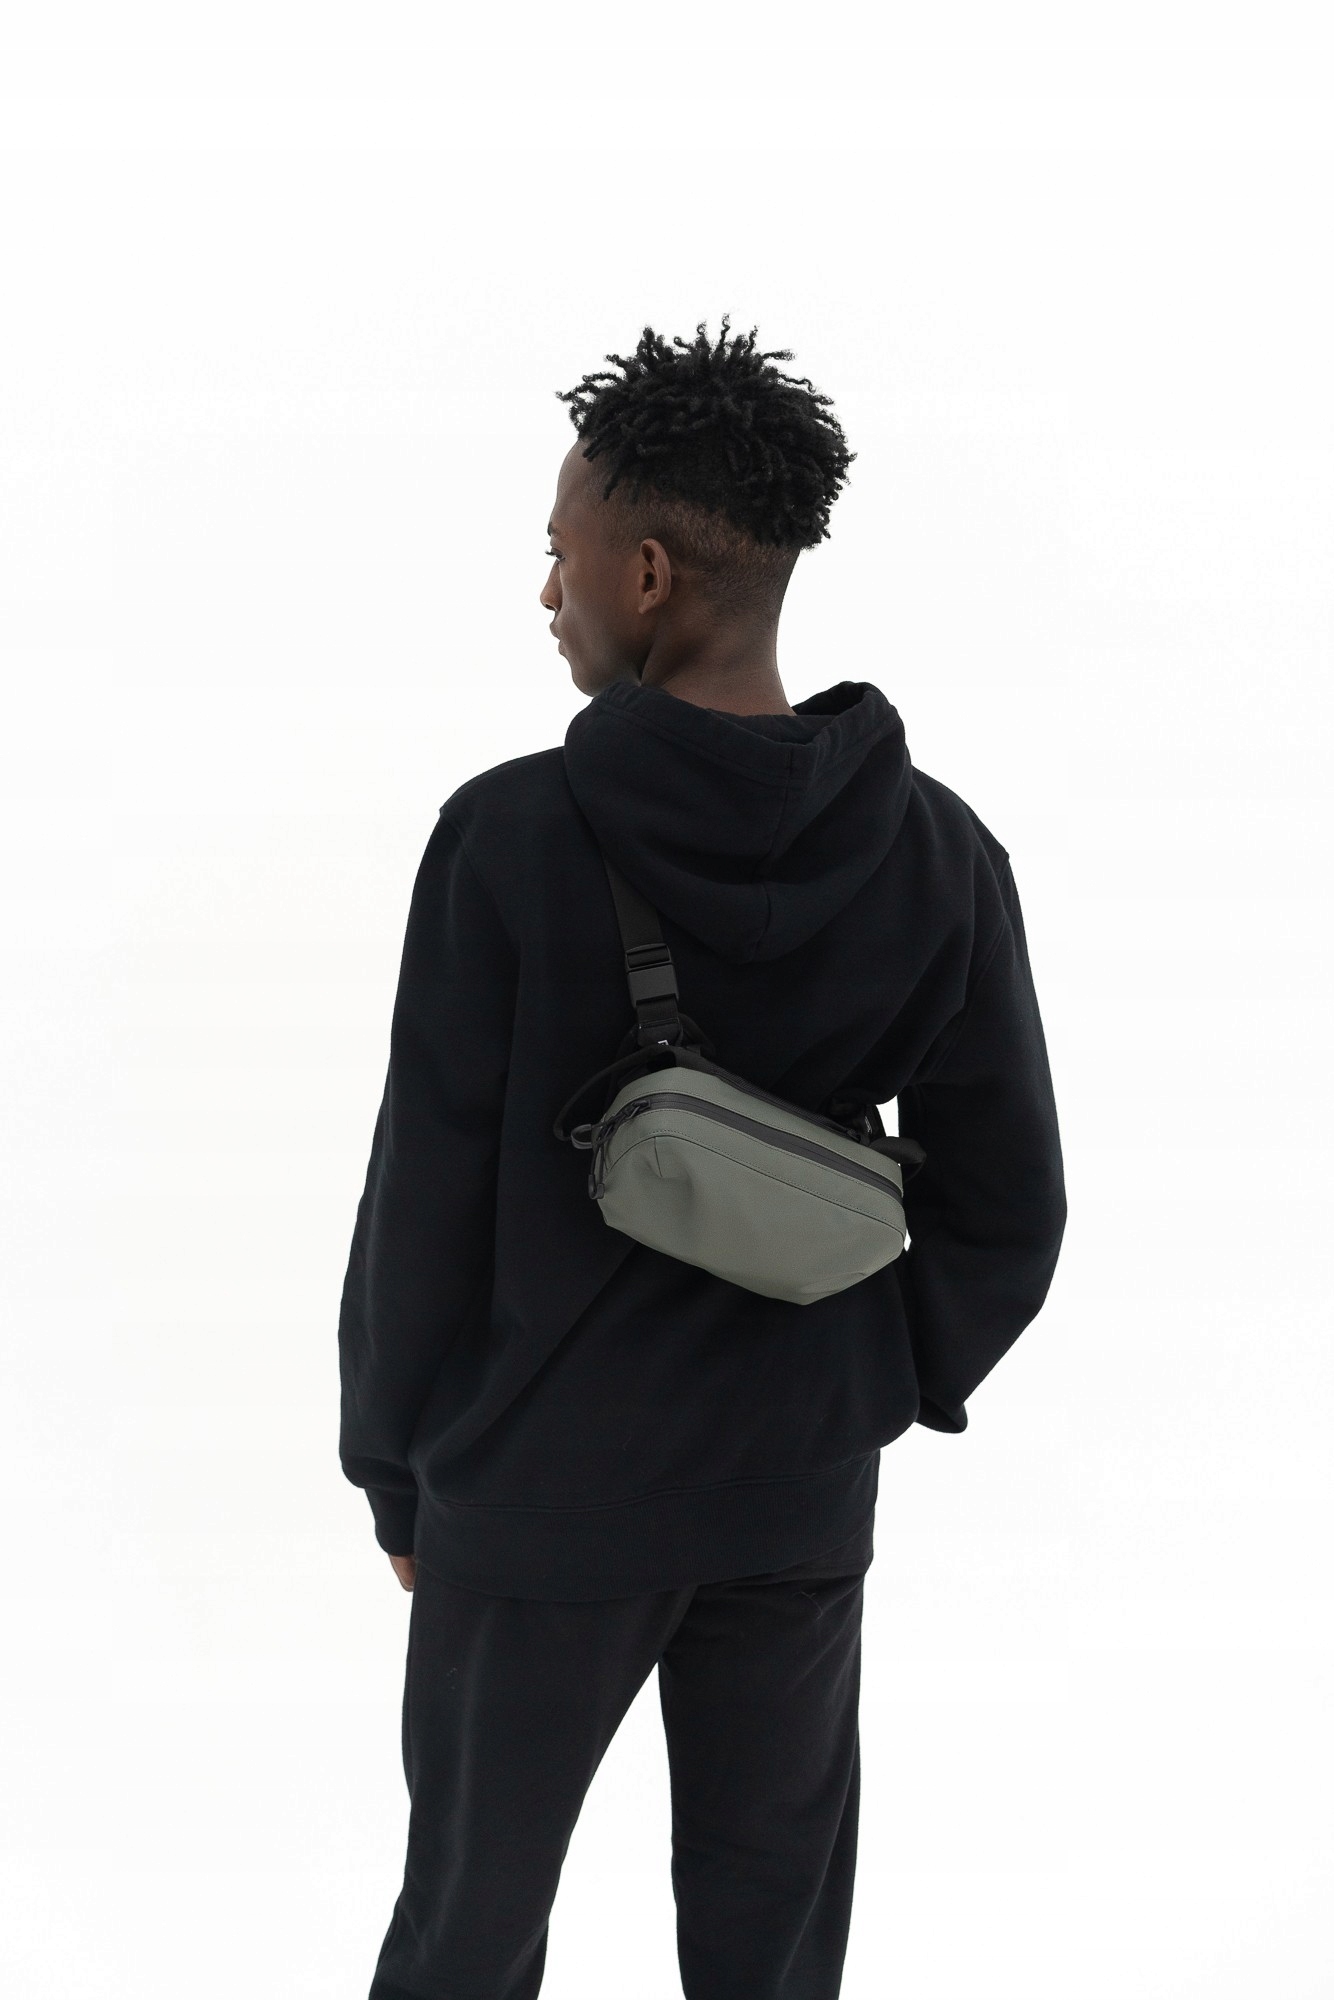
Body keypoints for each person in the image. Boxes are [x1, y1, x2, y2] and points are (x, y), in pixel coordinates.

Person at [337, 316, 1067, 1999]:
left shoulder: (509, 837)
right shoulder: (941, 851)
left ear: (647, 573)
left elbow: (423, 1194)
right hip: (793, 1492)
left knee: (464, 1928)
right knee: (770, 1934)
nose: (548, 592)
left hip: (536, 1489)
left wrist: (395, 1470)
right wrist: (868, 1381)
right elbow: (1009, 1202)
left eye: (560, 552)